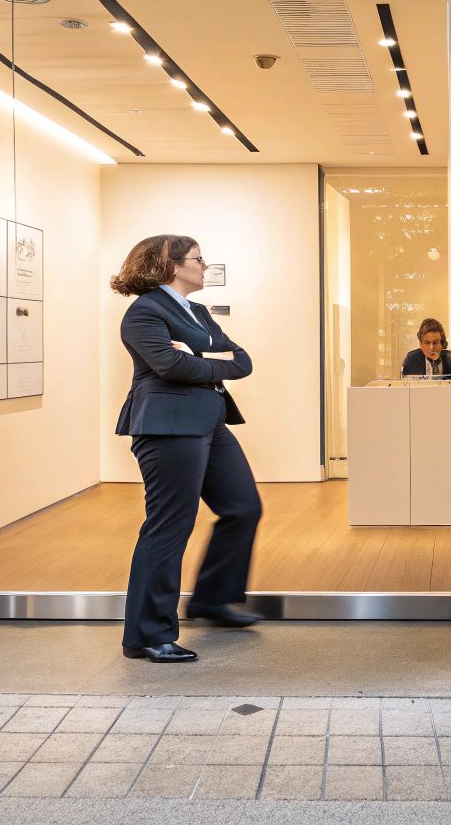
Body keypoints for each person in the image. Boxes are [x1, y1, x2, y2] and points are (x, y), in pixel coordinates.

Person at [111, 235, 261, 663]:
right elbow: (169, 365)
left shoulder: (194, 310)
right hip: (168, 426)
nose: (204, 265)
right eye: (198, 259)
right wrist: (209, 357)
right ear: (172, 265)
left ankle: (211, 601)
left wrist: (199, 353)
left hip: (210, 420)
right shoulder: (143, 313)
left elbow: (244, 359)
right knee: (169, 526)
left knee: (243, 507)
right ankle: (146, 633)